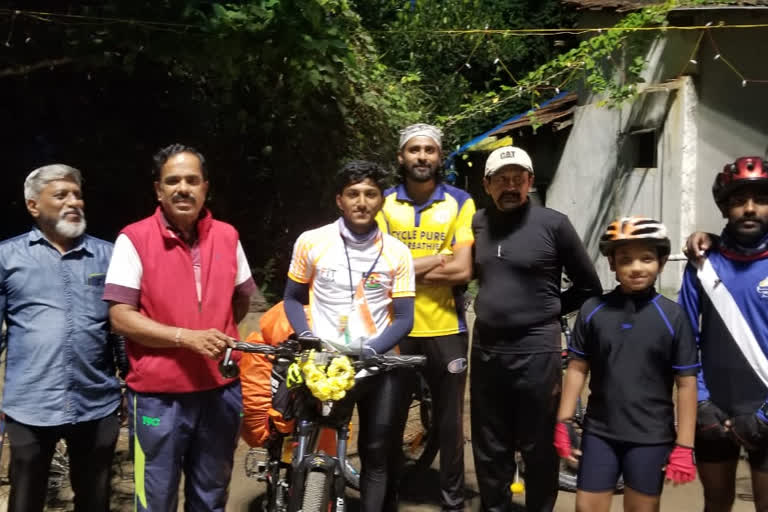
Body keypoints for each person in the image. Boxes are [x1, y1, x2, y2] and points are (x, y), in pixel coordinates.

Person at [103, 144, 257, 511]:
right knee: (155, 499)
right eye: (173, 181)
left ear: (206, 187)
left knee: (212, 495)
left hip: (220, 392)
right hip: (159, 394)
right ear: (158, 190)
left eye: (192, 180)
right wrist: (184, 337)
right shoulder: (134, 239)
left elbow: (241, 299)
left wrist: (217, 330)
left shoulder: (227, 236)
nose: (182, 188)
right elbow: (120, 316)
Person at [471, 146, 602, 512]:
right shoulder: (477, 223)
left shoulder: (554, 224)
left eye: (518, 179)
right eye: (501, 180)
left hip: (537, 352)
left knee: (539, 446)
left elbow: (589, 287)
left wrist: (545, 311)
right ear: (487, 184)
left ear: (530, 182)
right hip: (486, 350)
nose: (510, 187)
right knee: (489, 447)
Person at [283, 160, 415, 512]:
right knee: (308, 443)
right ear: (339, 200)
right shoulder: (312, 241)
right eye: (353, 194)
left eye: (370, 194)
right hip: (322, 363)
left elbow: (404, 319)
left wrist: (372, 350)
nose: (362, 201)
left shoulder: (397, 252)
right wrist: (307, 335)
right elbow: (292, 298)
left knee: (376, 452)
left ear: (381, 201)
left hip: (377, 365)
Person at [0, 164, 122, 512]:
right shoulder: (7, 257)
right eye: (61, 195)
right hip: (29, 404)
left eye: (78, 195)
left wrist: (127, 382)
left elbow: (120, 327)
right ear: (33, 205)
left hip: (96, 402)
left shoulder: (109, 255)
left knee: (95, 498)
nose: (74, 202)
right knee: (25, 499)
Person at [555, 216, 698, 512]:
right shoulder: (593, 311)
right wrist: (564, 420)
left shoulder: (673, 317)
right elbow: (578, 368)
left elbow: (686, 384)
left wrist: (685, 445)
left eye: (646, 258)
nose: (636, 267)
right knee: (586, 507)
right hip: (600, 432)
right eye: (625, 259)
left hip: (651, 437)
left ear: (660, 262)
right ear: (611, 264)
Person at [376, 123, 474, 511]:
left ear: (439, 156)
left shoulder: (461, 201)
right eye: (414, 150)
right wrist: (437, 258)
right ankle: (388, 498)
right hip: (393, 327)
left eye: (429, 150)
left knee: (450, 425)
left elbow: (463, 270)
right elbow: (378, 269)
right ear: (401, 157)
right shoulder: (382, 202)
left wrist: (404, 268)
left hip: (446, 327)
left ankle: (452, 502)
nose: (422, 157)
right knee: (389, 419)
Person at [679, 156, 768, 512]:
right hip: (713, 411)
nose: (749, 209)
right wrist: (700, 402)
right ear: (723, 207)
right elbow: (685, 340)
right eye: (737, 200)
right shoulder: (702, 263)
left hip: (766, 412)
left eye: (760, 199)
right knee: (715, 504)